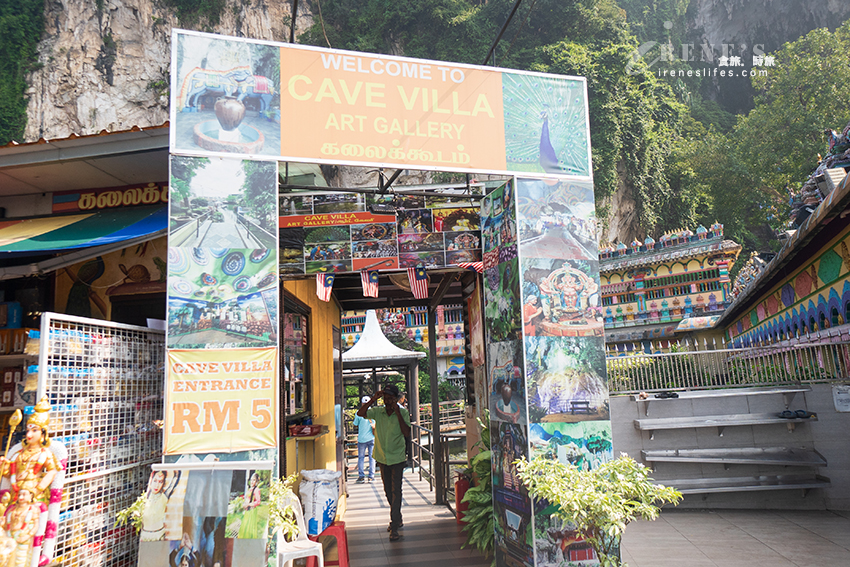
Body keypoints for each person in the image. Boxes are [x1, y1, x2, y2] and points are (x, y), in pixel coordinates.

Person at [357, 384, 410, 541]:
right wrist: (373, 398)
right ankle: (397, 517)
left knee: (397, 491)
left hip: (398, 457)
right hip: (382, 457)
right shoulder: (378, 412)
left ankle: (394, 526)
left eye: (390, 398)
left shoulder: (403, 412)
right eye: (385, 397)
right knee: (388, 490)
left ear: (395, 399)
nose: (387, 400)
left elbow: (406, 432)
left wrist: (398, 412)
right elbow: (361, 413)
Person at [141, 469, 181, 541]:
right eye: (155, 481)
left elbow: (175, 479)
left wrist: (175, 469)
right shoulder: (147, 495)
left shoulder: (164, 496)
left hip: (158, 535)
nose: (157, 485)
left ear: (163, 484)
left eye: (160, 482)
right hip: (145, 535)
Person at [352, 397, 375, 483]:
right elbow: (375, 423)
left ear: (361, 403)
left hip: (361, 439)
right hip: (371, 438)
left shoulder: (358, 413)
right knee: (372, 457)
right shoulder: (372, 412)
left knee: (361, 458)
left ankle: (361, 477)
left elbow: (355, 424)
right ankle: (371, 477)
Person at [237, 473, 265, 538]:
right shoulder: (250, 489)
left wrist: (249, 504)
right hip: (247, 510)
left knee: (249, 526)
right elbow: (247, 498)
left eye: (254, 480)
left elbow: (258, 501)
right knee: (245, 526)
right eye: (251, 480)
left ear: (257, 481)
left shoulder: (256, 490)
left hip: (252, 510)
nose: (252, 482)